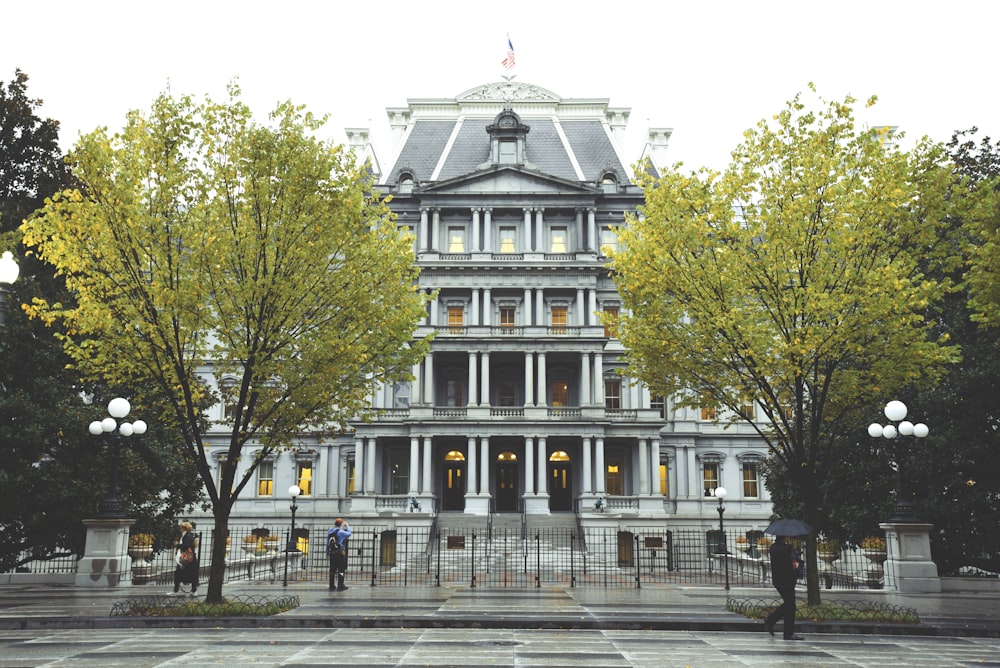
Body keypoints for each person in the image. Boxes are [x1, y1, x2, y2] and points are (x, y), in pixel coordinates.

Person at [764, 535, 803, 640]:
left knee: (789, 604)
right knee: (790, 606)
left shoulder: (774, 548)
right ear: (784, 537)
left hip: (779, 580)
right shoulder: (784, 549)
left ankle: (772, 620)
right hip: (787, 581)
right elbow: (790, 564)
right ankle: (787, 632)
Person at [172, 520, 199, 596]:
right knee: (190, 575)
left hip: (186, 559)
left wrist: (178, 545)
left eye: (181, 528)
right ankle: (193, 591)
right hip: (189, 559)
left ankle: (176, 591)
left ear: (184, 528)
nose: (180, 529)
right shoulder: (188, 535)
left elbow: (186, 546)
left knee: (179, 575)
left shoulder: (187, 536)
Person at [326, 518, 352, 592]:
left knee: (332, 569)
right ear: (340, 524)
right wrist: (347, 526)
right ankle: (340, 584)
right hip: (340, 553)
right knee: (341, 569)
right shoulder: (341, 532)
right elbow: (349, 533)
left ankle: (331, 584)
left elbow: (327, 543)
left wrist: (327, 552)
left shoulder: (330, 531)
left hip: (332, 553)